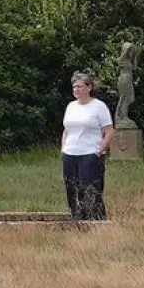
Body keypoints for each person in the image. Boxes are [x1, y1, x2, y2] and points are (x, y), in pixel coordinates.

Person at [62, 70, 115, 220]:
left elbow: (109, 131)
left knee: (90, 189)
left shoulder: (99, 107)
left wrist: (99, 150)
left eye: (79, 86)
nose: (76, 90)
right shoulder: (71, 106)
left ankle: (95, 220)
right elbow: (66, 129)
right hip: (70, 154)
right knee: (71, 188)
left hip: (90, 154)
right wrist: (64, 148)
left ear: (89, 87)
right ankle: (76, 219)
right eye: (74, 87)